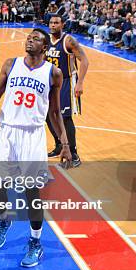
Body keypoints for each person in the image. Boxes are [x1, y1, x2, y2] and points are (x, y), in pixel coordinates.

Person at [0, 29, 72, 268]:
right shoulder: (10, 64)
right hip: (6, 131)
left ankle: (35, 242)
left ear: (45, 47)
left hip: (32, 134)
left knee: (31, 193)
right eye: (29, 37)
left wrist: (64, 144)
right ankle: (4, 220)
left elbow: (54, 113)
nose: (29, 40)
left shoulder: (53, 73)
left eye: (35, 39)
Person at [45, 15, 89, 167]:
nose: (53, 25)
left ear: (62, 24)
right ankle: (59, 145)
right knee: (47, 115)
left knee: (65, 118)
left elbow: (84, 60)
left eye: (56, 23)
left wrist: (80, 83)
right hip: (51, 82)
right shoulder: (46, 40)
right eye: (51, 22)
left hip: (67, 82)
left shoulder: (68, 41)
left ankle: (74, 154)